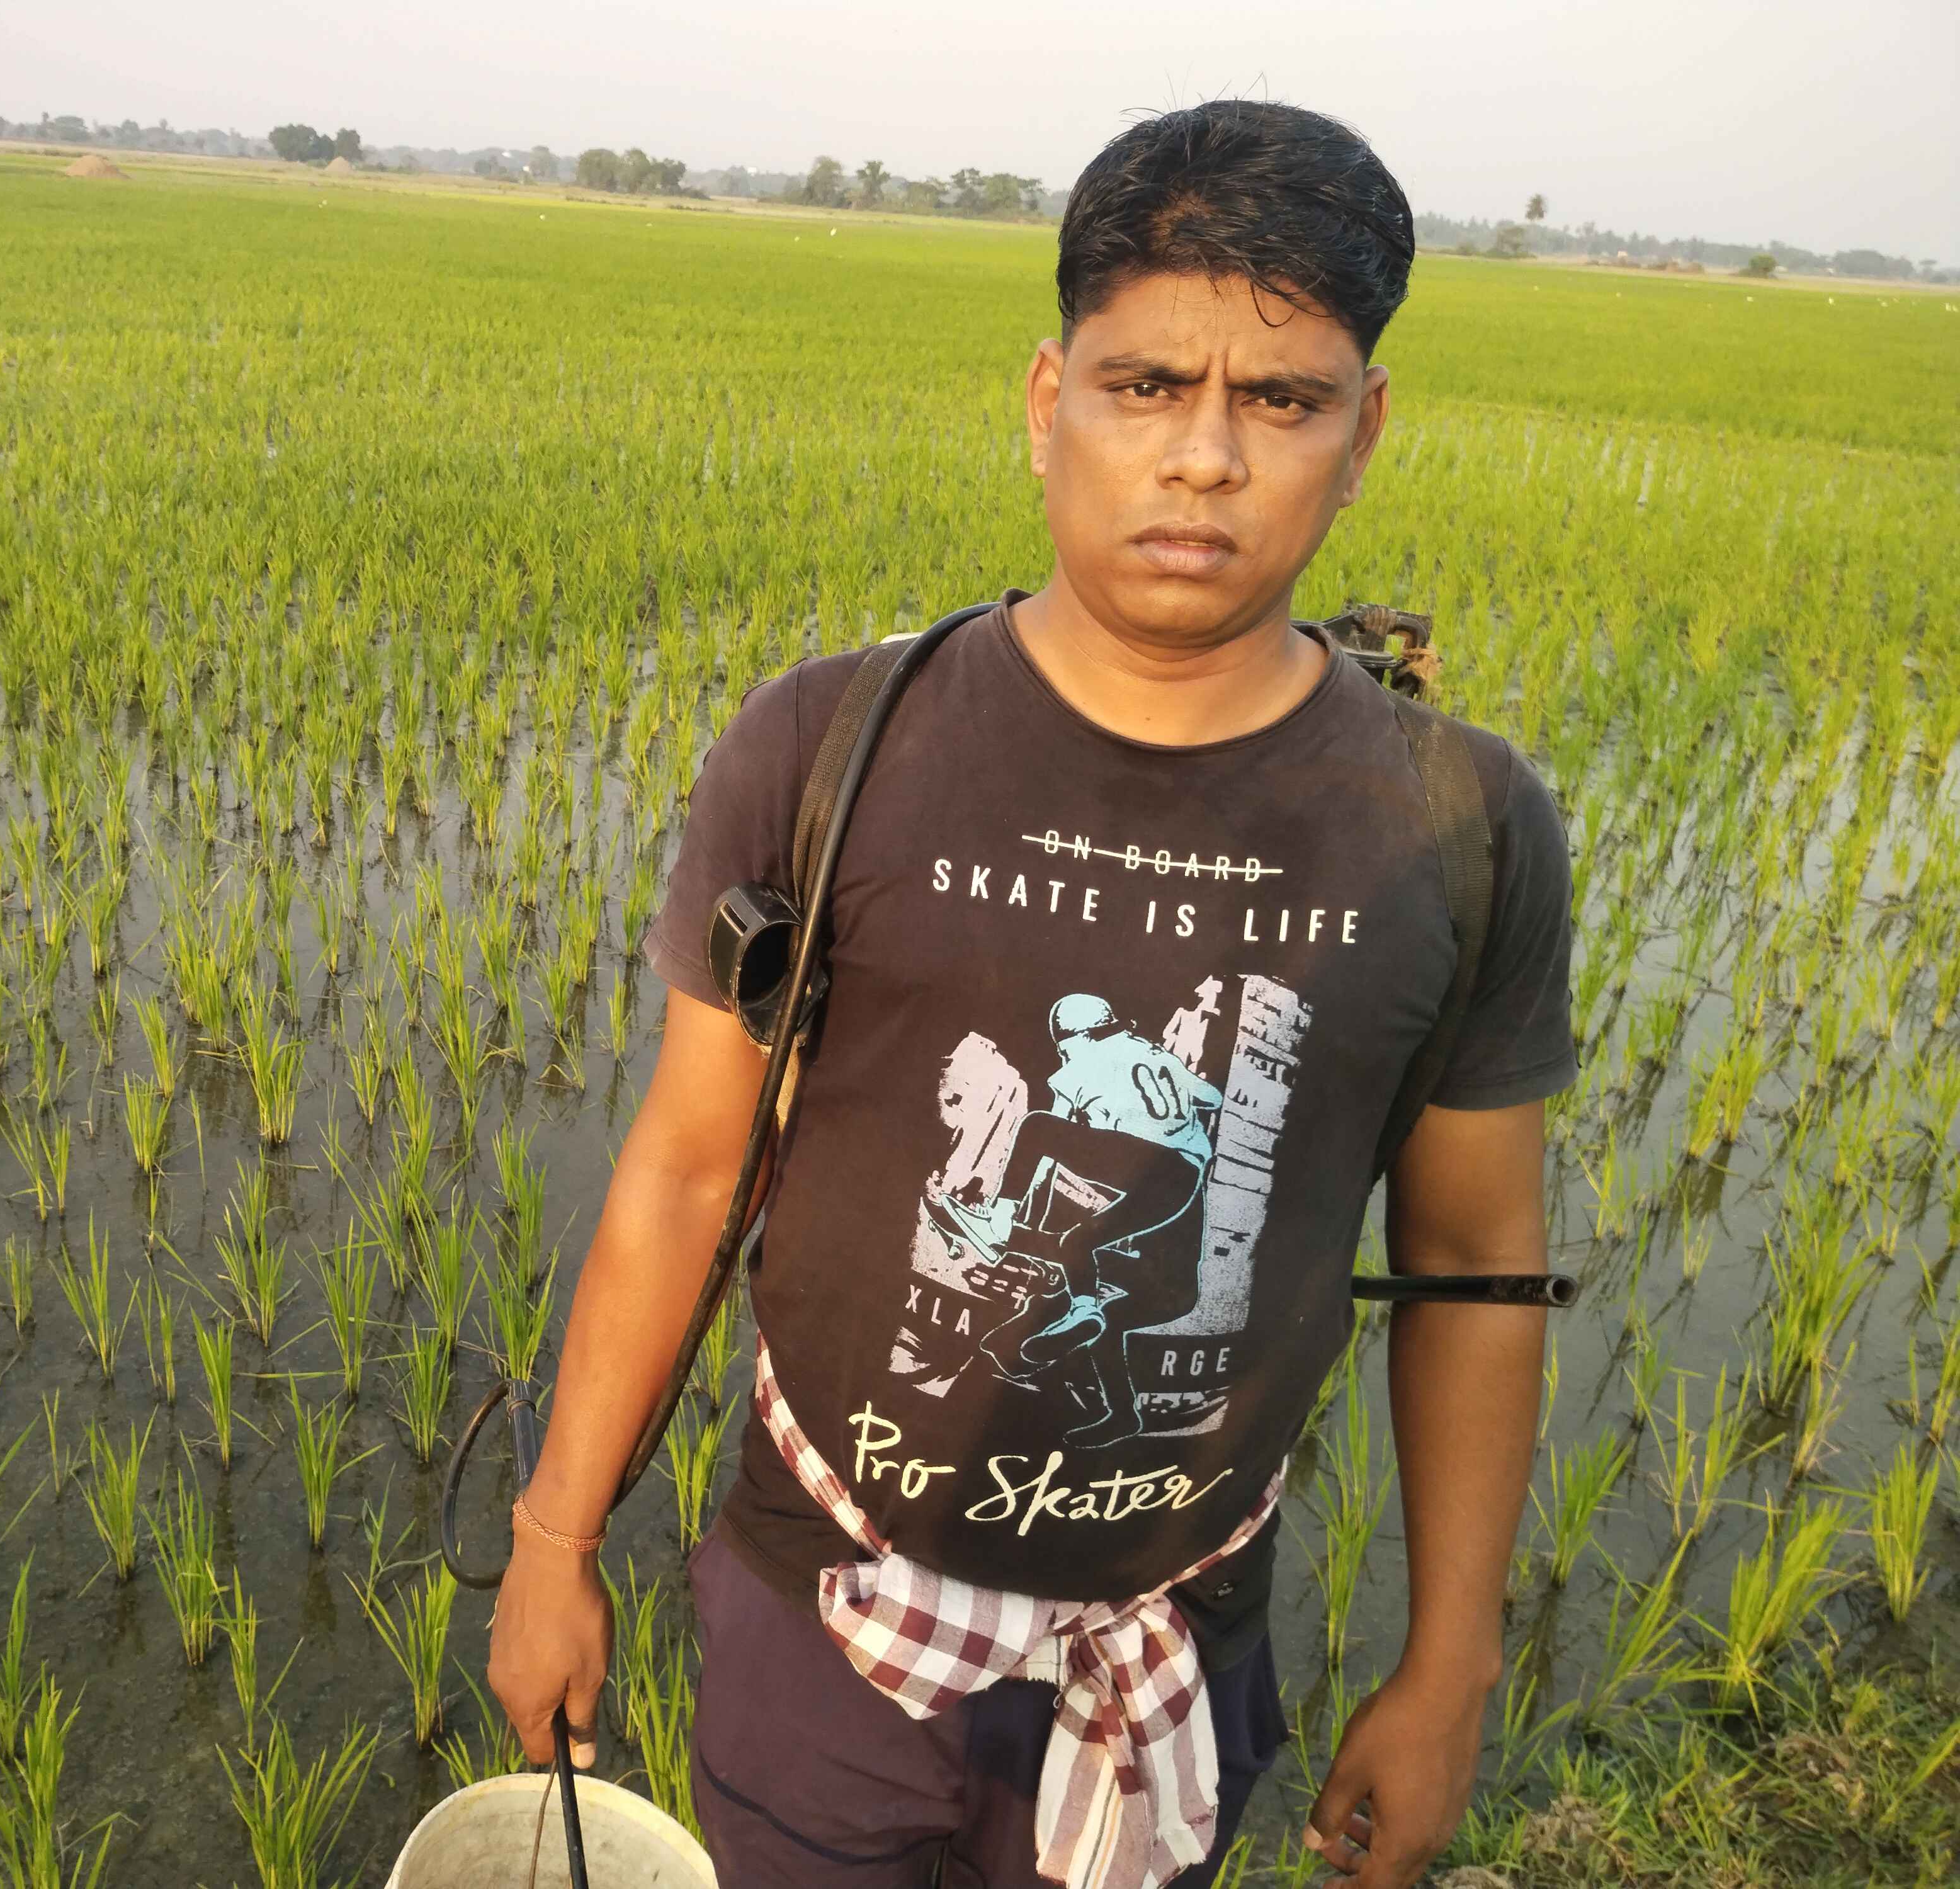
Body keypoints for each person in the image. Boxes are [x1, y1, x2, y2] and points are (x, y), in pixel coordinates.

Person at [490, 97, 1576, 1889]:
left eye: (1281, 400)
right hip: (824, 1615)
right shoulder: (832, 745)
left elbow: (1474, 1262)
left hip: (1179, 1625)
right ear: (1046, 398)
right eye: (1145, 386)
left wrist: (1449, 1666)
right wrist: (553, 1539)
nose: (1203, 459)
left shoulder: (1457, 825)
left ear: (1366, 432)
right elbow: (685, 1169)